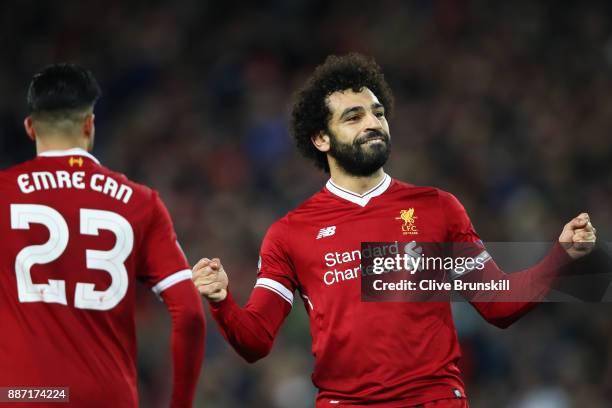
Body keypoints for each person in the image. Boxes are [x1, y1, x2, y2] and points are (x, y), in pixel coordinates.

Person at [192, 54, 596, 407]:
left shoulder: (438, 208)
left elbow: (498, 305)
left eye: (378, 112)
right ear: (321, 138)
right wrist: (222, 301)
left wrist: (562, 257)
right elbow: (256, 341)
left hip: (435, 400)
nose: (372, 123)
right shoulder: (290, 234)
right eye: (354, 117)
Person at [0, 64, 205, 407]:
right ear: (89, 124)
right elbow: (190, 313)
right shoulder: (140, 202)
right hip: (109, 396)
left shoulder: (4, 194)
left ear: (31, 128)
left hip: (24, 394)